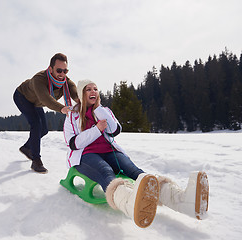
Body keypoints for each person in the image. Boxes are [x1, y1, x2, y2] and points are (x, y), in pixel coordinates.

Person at [63, 79, 209, 228]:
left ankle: (184, 201)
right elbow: (74, 144)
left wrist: (101, 113)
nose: (93, 91)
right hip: (85, 155)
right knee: (105, 172)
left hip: (110, 151)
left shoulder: (103, 111)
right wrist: (96, 130)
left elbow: (115, 131)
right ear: (82, 94)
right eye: (88, 89)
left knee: (136, 172)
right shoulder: (72, 116)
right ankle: (128, 203)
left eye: (95, 89)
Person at [13, 53, 78, 174]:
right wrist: (63, 109)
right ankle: (36, 160)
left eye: (65, 71)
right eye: (59, 70)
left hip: (36, 103)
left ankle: (27, 147)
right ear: (50, 69)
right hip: (22, 97)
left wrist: (83, 102)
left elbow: (75, 94)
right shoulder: (39, 79)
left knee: (43, 130)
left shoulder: (65, 82)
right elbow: (46, 99)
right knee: (36, 124)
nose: (62, 74)